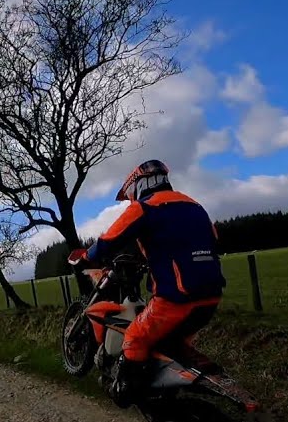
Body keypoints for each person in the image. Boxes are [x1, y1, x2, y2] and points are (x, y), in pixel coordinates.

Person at [68, 159, 226, 407]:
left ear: (137, 184)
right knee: (169, 344)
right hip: (211, 296)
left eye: (130, 194)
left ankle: (126, 392)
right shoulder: (195, 205)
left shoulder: (145, 207)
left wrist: (85, 258)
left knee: (136, 337)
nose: (130, 199)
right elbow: (205, 239)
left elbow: (109, 240)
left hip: (176, 299)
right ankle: (164, 392)